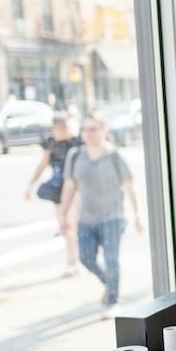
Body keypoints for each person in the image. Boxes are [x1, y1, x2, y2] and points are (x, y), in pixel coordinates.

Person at [59, 113, 143, 313]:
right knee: (86, 258)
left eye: (93, 129)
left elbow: (129, 185)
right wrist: (63, 214)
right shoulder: (75, 156)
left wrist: (138, 214)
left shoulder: (114, 156)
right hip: (87, 218)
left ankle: (112, 299)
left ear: (104, 131)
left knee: (111, 258)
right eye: (85, 129)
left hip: (113, 217)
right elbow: (70, 185)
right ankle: (109, 281)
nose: (88, 134)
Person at [24, 115, 81, 277]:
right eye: (56, 127)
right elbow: (42, 165)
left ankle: (74, 261)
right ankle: (72, 260)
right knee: (65, 226)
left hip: (76, 190)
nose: (59, 131)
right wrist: (30, 185)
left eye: (63, 127)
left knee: (69, 225)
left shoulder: (77, 143)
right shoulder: (52, 145)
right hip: (58, 191)